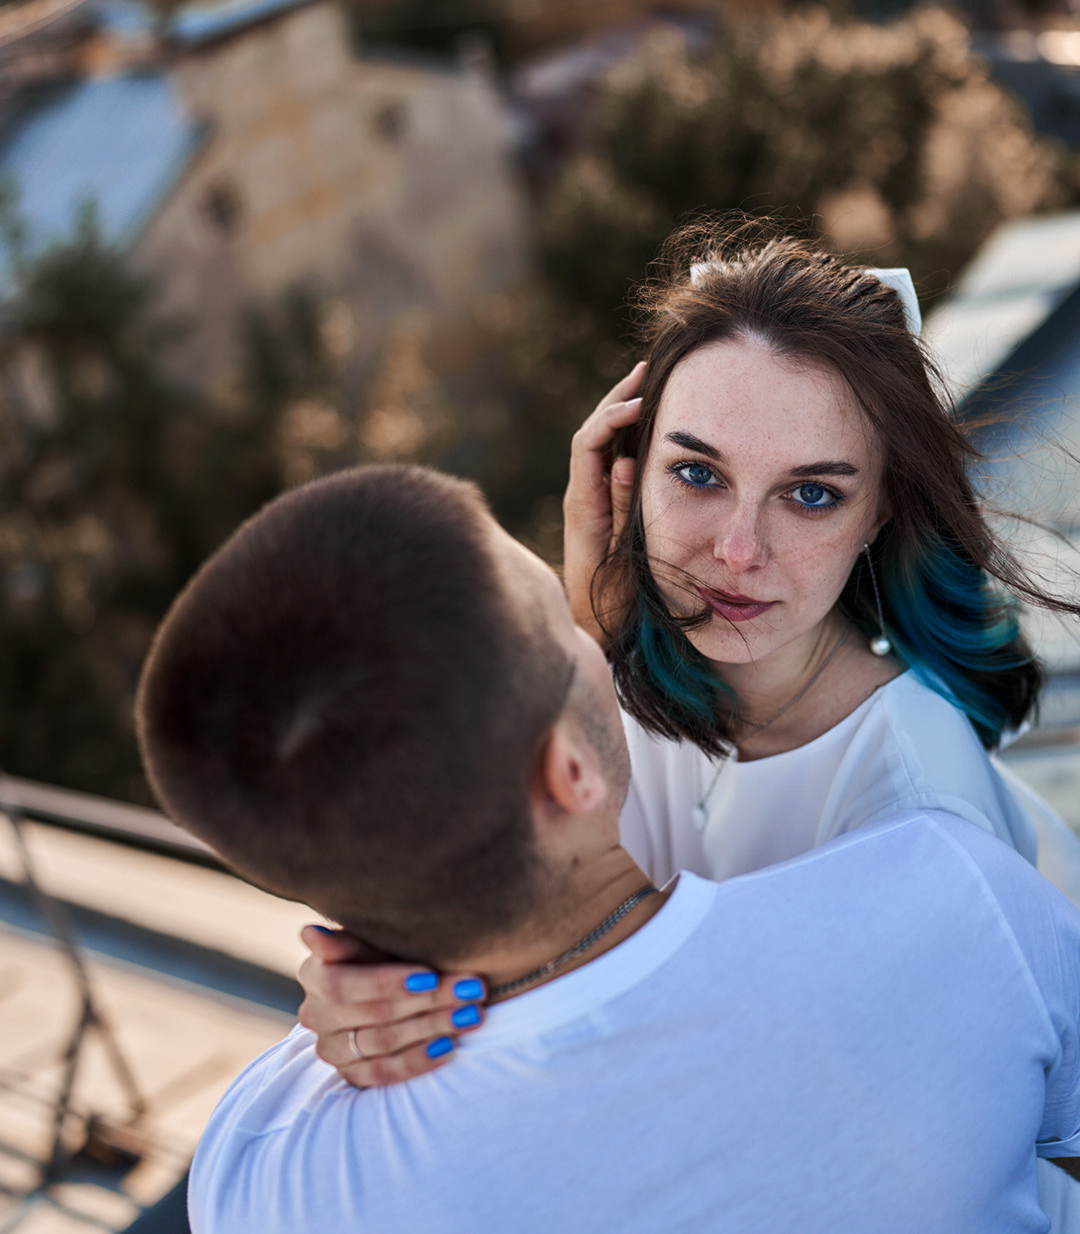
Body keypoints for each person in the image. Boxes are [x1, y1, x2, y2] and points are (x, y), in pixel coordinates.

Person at [297, 229, 1080, 1225]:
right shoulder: (622, 686)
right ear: (626, 475)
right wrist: (367, 1012)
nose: (738, 553)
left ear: (882, 512)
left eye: (812, 494)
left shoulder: (917, 822)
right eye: (698, 475)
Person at [138, 465, 1080, 1234]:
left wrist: (343, 1004)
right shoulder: (946, 901)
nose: (598, 630)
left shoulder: (269, 1170)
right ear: (568, 773)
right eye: (562, 619)